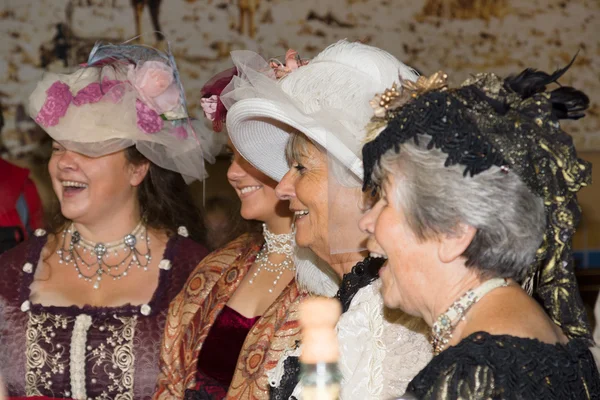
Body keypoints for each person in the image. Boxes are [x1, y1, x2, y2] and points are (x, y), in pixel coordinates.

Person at [359, 67, 600, 398]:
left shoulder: (476, 374)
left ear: (454, 232)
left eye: (384, 200)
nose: (366, 222)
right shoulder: (521, 339)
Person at [0, 42, 214, 399]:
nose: (64, 162)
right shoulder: (9, 273)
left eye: (88, 148)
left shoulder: (195, 275)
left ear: (138, 167)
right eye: (57, 147)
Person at [226, 40, 432, 399]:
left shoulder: (387, 318)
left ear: (358, 187)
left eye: (301, 168)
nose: (283, 187)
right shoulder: (355, 304)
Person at [154, 50, 338, 399]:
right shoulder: (219, 266)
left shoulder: (335, 279)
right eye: (231, 156)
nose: (233, 173)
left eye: (247, 157)